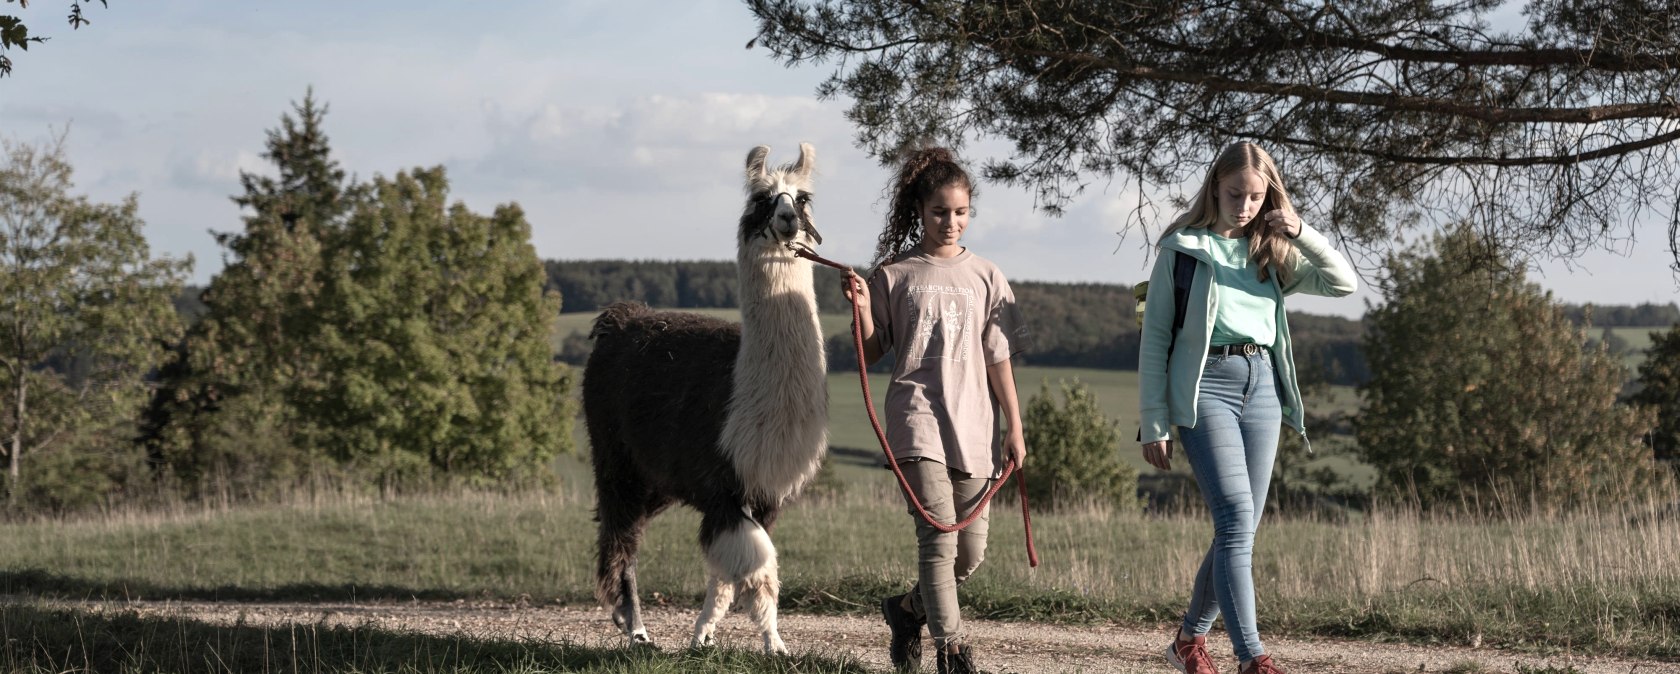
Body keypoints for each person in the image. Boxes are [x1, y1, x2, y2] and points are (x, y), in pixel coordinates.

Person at [1137, 142, 1357, 674]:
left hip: (1262, 389)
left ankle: (1189, 642)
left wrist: (1301, 231)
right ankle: (1252, 657)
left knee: (1240, 529)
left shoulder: (1272, 253)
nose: (1245, 205)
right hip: (1205, 387)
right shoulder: (1182, 248)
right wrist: (1153, 421)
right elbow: (1155, 337)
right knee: (1235, 518)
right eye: (1236, 193)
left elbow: (1343, 283)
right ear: (1215, 186)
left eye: (1257, 196)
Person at [842, 147, 1029, 674]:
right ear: (920, 212)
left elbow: (999, 360)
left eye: (961, 212)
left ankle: (906, 612)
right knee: (939, 536)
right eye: (940, 212)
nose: (951, 222)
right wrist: (860, 308)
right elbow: (872, 350)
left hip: (974, 425)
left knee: (969, 553)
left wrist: (1015, 426)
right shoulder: (894, 274)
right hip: (916, 417)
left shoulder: (989, 275)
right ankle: (954, 650)